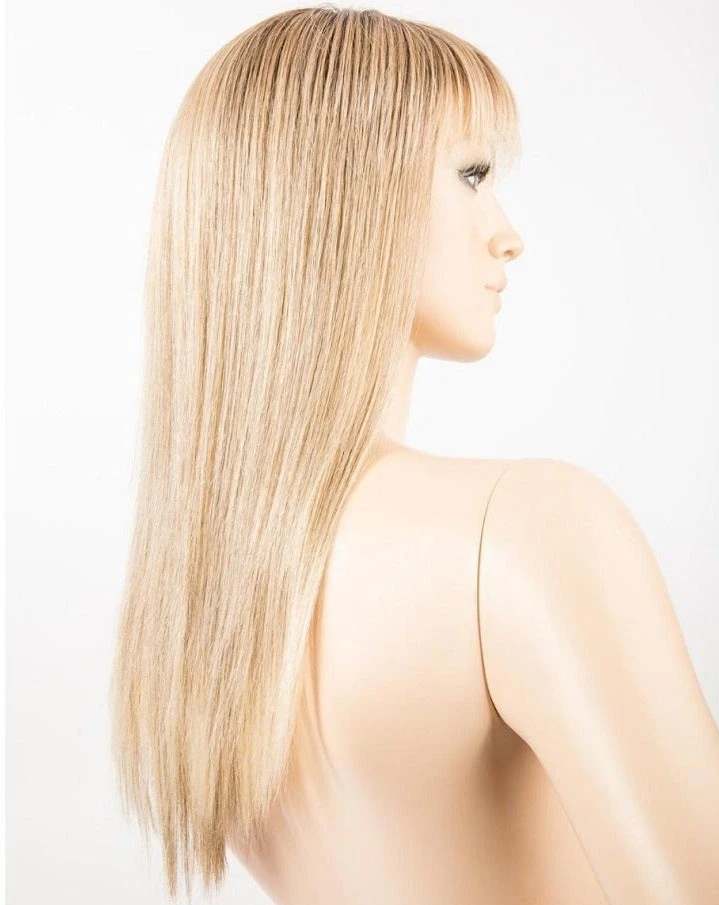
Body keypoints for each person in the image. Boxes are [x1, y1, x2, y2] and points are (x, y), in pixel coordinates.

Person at [109, 6, 719, 905]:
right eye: (471, 174)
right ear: (346, 199)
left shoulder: (196, 609)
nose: (507, 232)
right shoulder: (525, 534)